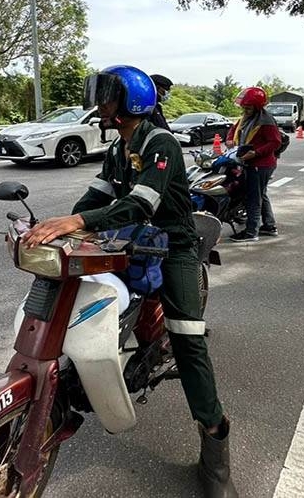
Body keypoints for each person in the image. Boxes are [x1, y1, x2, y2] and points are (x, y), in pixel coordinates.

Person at [20, 65, 237, 498]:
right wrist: (65, 225)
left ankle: (215, 453)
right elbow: (98, 195)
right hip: (131, 240)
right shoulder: (119, 148)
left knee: (189, 339)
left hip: (173, 245)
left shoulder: (161, 143)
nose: (98, 106)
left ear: (126, 104)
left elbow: (141, 202)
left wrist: (77, 221)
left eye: (105, 99)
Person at [225, 86, 281, 242]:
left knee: (253, 198)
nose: (245, 110)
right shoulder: (245, 118)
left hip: (261, 164)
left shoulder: (266, 120)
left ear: (257, 107)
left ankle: (251, 233)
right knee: (261, 194)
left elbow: (275, 142)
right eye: (244, 107)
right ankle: (269, 226)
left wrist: (256, 153)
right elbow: (233, 129)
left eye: (248, 107)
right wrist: (229, 139)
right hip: (248, 162)